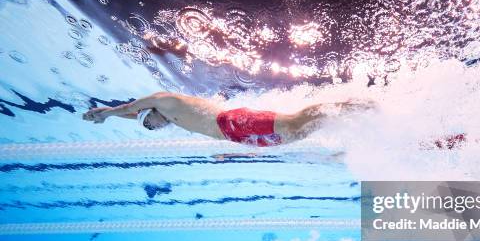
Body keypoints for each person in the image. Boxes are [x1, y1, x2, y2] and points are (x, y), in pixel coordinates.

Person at [82, 92, 373, 147]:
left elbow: (134, 107)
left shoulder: (165, 102)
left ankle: (352, 105)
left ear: (153, 113)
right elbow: (136, 115)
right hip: (236, 136)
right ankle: (347, 119)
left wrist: (107, 114)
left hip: (232, 124)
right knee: (296, 134)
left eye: (148, 123)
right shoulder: (173, 119)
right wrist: (112, 120)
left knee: (293, 122)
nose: (152, 128)